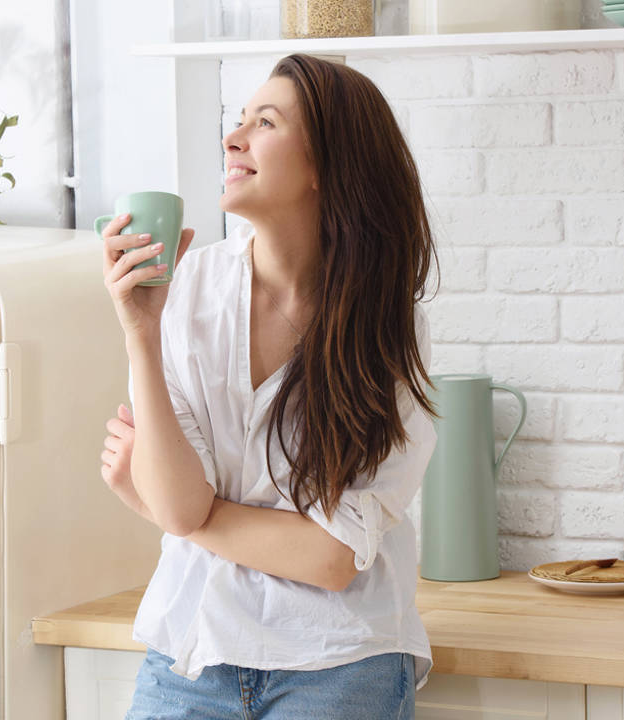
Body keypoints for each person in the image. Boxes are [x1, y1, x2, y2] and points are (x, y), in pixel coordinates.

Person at [98, 53, 440, 720]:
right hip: (190, 655)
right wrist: (140, 330)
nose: (234, 138)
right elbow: (179, 507)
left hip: (338, 663)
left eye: (265, 122)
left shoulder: (389, 330)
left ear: (325, 167)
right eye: (237, 120)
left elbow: (332, 559)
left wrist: (174, 510)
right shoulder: (186, 291)